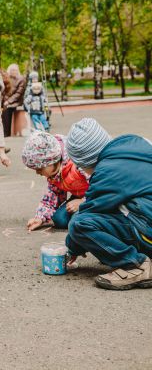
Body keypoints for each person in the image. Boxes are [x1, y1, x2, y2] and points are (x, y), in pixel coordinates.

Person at [65, 118, 152, 290]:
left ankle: (138, 265)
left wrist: (71, 248)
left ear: (86, 161)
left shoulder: (107, 171)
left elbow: (87, 213)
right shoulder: (136, 143)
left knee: (79, 223)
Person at [21, 132, 89, 231]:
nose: (38, 173)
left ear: (52, 160)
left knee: (77, 222)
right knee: (59, 219)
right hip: (80, 196)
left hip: (97, 195)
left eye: (40, 168)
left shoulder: (78, 163)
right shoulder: (55, 174)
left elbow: (100, 185)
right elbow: (52, 196)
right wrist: (40, 218)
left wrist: (83, 202)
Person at [2, 64, 26, 137]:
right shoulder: (7, 78)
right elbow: (4, 91)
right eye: (12, 70)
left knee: (7, 109)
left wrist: (8, 101)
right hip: (6, 101)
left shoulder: (21, 79)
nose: (14, 71)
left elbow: (19, 93)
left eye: (15, 70)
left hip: (17, 101)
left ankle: (6, 133)